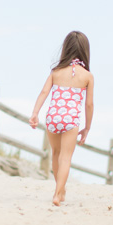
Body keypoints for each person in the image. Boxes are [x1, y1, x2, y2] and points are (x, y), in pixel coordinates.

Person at [29, 30, 94, 206]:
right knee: (66, 157)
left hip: (53, 117)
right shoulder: (87, 76)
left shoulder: (56, 71)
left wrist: (35, 112)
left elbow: (44, 92)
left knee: (56, 154)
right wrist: (87, 127)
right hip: (70, 119)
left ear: (66, 48)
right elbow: (89, 105)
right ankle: (58, 194)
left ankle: (60, 189)